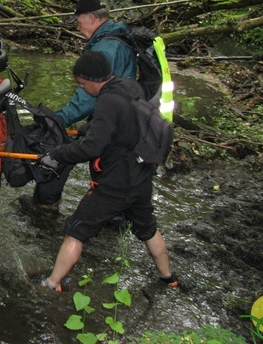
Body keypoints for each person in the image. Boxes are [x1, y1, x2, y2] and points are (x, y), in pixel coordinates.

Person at [39, 51, 178, 291]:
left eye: (82, 84)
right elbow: (121, 126)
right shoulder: (130, 86)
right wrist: (90, 128)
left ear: (92, 79)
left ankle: (52, 283)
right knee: (148, 228)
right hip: (141, 174)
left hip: (116, 183)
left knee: (76, 230)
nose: (83, 89)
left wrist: (57, 154)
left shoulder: (107, 100)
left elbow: (92, 147)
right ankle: (168, 277)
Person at [26, 0, 138, 211]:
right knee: (110, 175)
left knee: (64, 152)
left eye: (78, 22)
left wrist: (56, 119)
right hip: (123, 119)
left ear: (92, 18)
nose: (77, 28)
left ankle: (46, 206)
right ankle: (113, 219)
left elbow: (86, 99)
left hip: (111, 122)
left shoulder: (106, 49)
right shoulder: (117, 38)